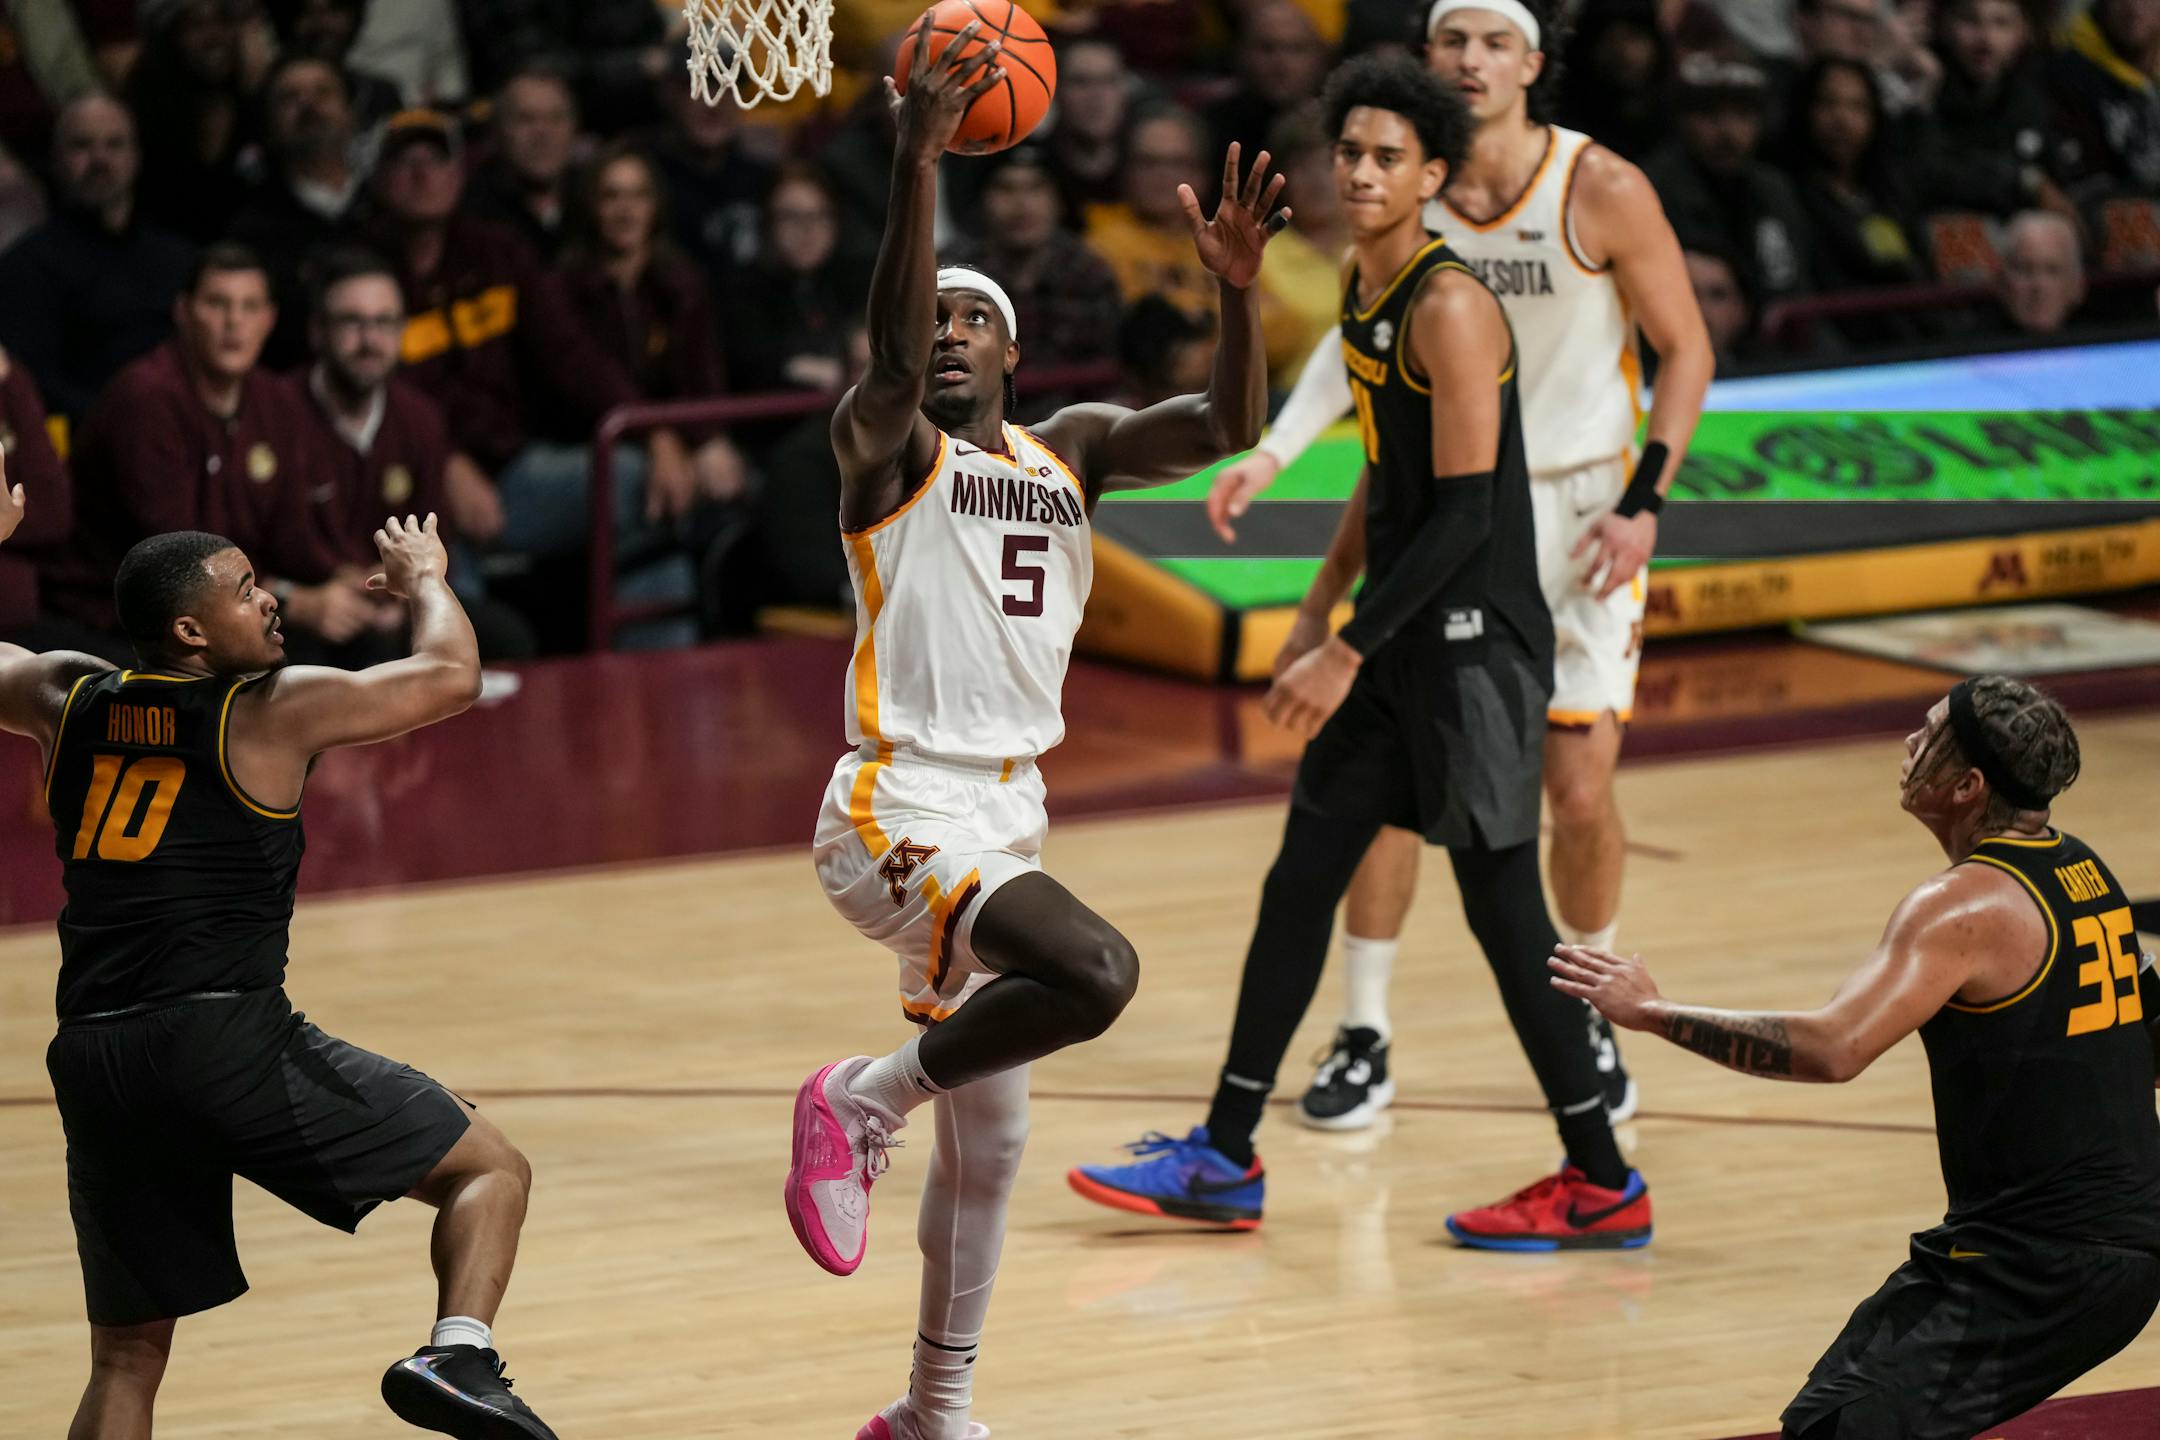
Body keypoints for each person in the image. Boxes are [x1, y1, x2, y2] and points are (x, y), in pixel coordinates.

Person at [783, 20, 1287, 1440]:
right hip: (894, 804)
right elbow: (889, 354)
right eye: (934, 312)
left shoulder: (1073, 448)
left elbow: (1229, 424)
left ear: (1013, 347)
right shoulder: (887, 448)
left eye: (973, 317)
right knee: (1098, 970)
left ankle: (932, 1412)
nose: (946, 330)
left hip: (1007, 812)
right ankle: (859, 1100)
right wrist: (915, 160)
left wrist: (1237, 292)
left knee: (994, 1143)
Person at [1070, 54, 1653, 1251]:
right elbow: (1387, 476)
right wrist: (1316, 605)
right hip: (1395, 648)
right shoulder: (1360, 284)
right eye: (1351, 153)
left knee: (1509, 923)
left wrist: (1345, 647)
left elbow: (1467, 518)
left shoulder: (1451, 306)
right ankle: (1225, 1155)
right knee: (1300, 879)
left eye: (1391, 156)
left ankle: (1602, 1178)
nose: (1365, 172)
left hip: (1475, 654)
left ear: (1434, 176)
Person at [1204, 0, 1714, 1135]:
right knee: (1390, 794)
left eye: (1493, 42)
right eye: (1453, 41)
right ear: (1427, 60)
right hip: (1449, 509)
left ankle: (1587, 1015)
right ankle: (1365, 1030)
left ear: (1533, 63)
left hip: (1580, 513)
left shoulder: (1599, 186)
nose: (1472, 60)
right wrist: (1276, 454)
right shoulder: (1399, 193)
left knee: (1573, 793)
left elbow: (1688, 347)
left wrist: (1646, 499)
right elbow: (1357, 357)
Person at [0, 475, 557, 1440]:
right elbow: (451, 676)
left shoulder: (64, 695)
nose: (269, 600)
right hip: (222, 1037)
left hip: (95, 1056)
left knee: (126, 1359)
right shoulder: (264, 709)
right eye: (245, 587)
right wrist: (426, 577)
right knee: (489, 1170)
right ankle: (457, 1353)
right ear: (190, 631)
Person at [1556, 677, 2160, 1438]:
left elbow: (1834, 1048)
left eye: (1931, 735)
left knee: (1839, 1426)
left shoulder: (1959, 907)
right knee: (1838, 1410)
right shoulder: (2083, 869)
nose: (1910, 742)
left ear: (1968, 786)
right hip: (2076, 1245)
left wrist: (1653, 1013)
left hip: (2043, 1266)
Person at [48, 244, 384, 664]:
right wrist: (296, 601)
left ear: (269, 319)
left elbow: (292, 530)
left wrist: (350, 577)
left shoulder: (276, 401)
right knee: (294, 664)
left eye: (249, 307)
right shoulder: (145, 400)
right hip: (121, 622)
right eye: (217, 304)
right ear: (184, 312)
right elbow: (183, 559)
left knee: (369, 642)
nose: (233, 322)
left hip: (230, 603)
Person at [0, 93, 192, 421]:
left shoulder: (179, 259)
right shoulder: (25, 266)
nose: (99, 159)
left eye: (114, 144)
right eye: (81, 145)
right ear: (56, 158)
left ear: (136, 157)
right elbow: (31, 383)